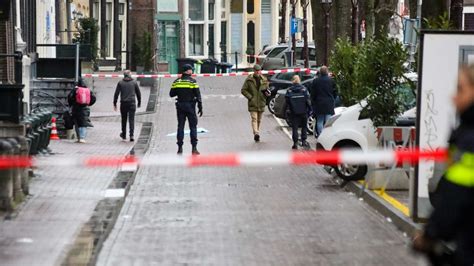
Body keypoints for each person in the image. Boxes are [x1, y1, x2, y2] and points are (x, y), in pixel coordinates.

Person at [412, 64, 474, 266]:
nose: (453, 97)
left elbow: (455, 195)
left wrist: (431, 234)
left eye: (460, 89)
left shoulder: (469, 140)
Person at [170, 64, 203, 155]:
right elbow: (198, 95)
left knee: (180, 126)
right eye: (191, 70)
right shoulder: (193, 82)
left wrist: (179, 91)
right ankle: (194, 148)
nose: (192, 71)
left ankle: (180, 148)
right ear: (187, 71)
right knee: (193, 127)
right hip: (190, 106)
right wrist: (200, 107)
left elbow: (171, 94)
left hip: (180, 106)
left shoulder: (176, 82)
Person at [241, 64, 270, 142]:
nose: (258, 72)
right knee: (254, 119)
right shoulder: (249, 80)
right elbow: (243, 90)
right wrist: (250, 97)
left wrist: (267, 94)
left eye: (259, 70)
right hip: (253, 103)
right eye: (257, 71)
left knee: (259, 120)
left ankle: (257, 131)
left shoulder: (264, 80)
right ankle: (256, 133)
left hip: (261, 102)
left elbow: (267, 90)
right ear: (254, 71)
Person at [114, 70, 141, 142]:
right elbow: (138, 93)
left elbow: (116, 93)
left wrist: (115, 103)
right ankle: (131, 135)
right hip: (132, 103)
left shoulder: (120, 83)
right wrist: (139, 102)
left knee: (124, 119)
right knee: (131, 119)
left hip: (123, 103)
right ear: (129, 75)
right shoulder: (134, 82)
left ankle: (124, 135)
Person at [285, 75, 312, 150]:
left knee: (295, 128)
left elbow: (287, 101)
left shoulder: (289, 90)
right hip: (303, 111)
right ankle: (303, 141)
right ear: (299, 80)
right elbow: (308, 100)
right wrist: (310, 109)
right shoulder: (304, 89)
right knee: (304, 127)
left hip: (294, 112)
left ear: (292, 80)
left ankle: (295, 143)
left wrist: (290, 109)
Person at [310, 66, 336, 137]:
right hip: (329, 103)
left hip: (319, 103)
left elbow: (313, 94)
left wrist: (313, 102)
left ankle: (321, 136)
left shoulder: (316, 81)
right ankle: (327, 136)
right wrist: (333, 99)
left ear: (320, 72)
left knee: (320, 121)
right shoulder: (331, 81)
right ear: (327, 72)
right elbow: (335, 92)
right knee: (328, 121)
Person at [67, 78, 96, 143]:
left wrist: (71, 104)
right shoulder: (88, 90)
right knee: (84, 123)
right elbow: (94, 98)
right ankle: (83, 137)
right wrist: (88, 104)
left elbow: (69, 97)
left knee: (77, 123)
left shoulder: (75, 90)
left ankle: (79, 137)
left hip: (76, 108)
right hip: (85, 108)